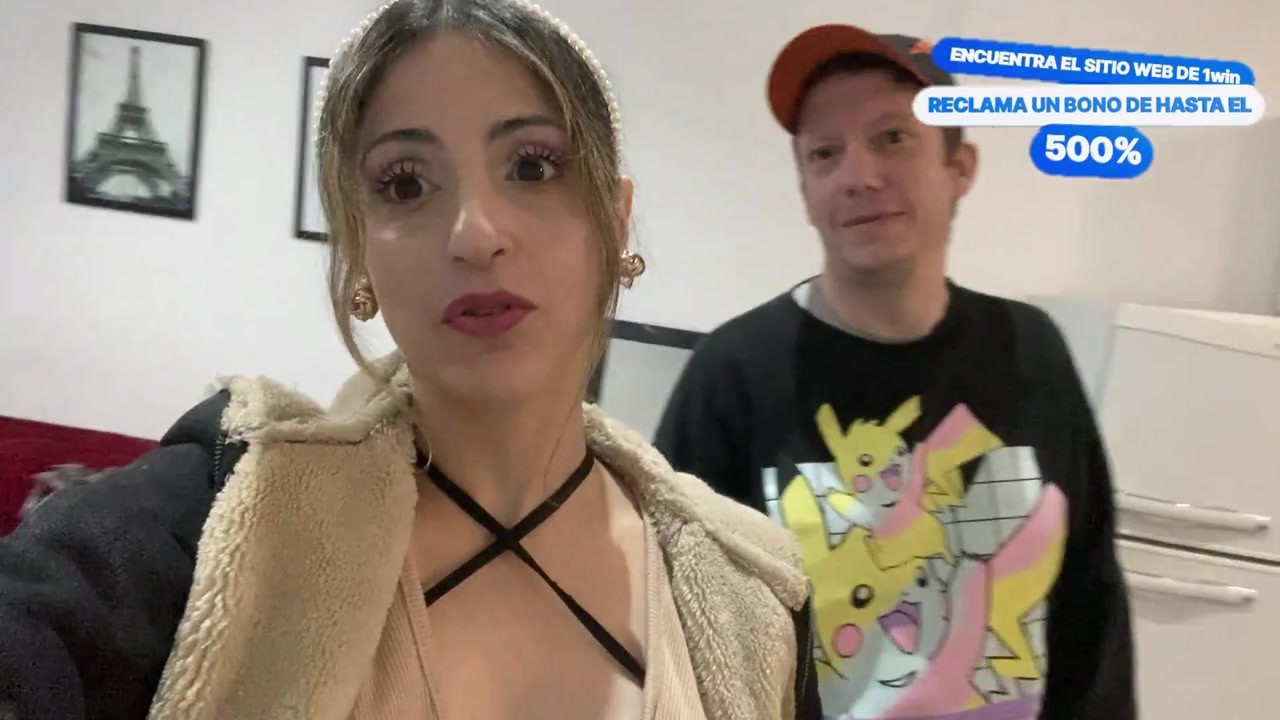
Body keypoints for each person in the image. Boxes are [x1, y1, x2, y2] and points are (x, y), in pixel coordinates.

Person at [0, 2, 822, 718]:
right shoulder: (231, 511)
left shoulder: (754, 594)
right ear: (357, 250)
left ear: (616, 219)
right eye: (404, 184)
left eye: (532, 166)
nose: (476, 234)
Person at [653, 24, 1136, 720]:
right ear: (805, 188)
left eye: (892, 138)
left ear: (959, 166)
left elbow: (1090, 602)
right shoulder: (735, 372)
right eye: (825, 153)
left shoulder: (1030, 350)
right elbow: (674, 630)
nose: (858, 176)